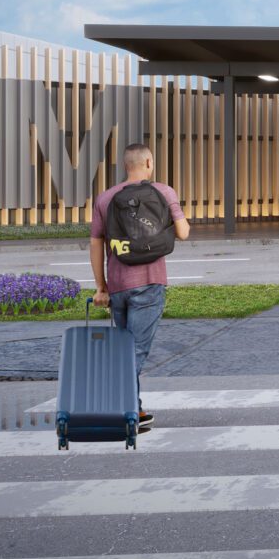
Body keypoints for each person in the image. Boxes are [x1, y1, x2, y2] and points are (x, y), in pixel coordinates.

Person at [90, 142, 191, 433]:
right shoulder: (163, 191)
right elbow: (183, 233)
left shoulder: (106, 197)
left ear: (126, 165)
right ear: (149, 163)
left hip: (119, 286)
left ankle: (133, 409)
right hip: (149, 281)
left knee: (126, 348)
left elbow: (96, 243)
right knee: (133, 352)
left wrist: (101, 287)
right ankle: (121, 409)